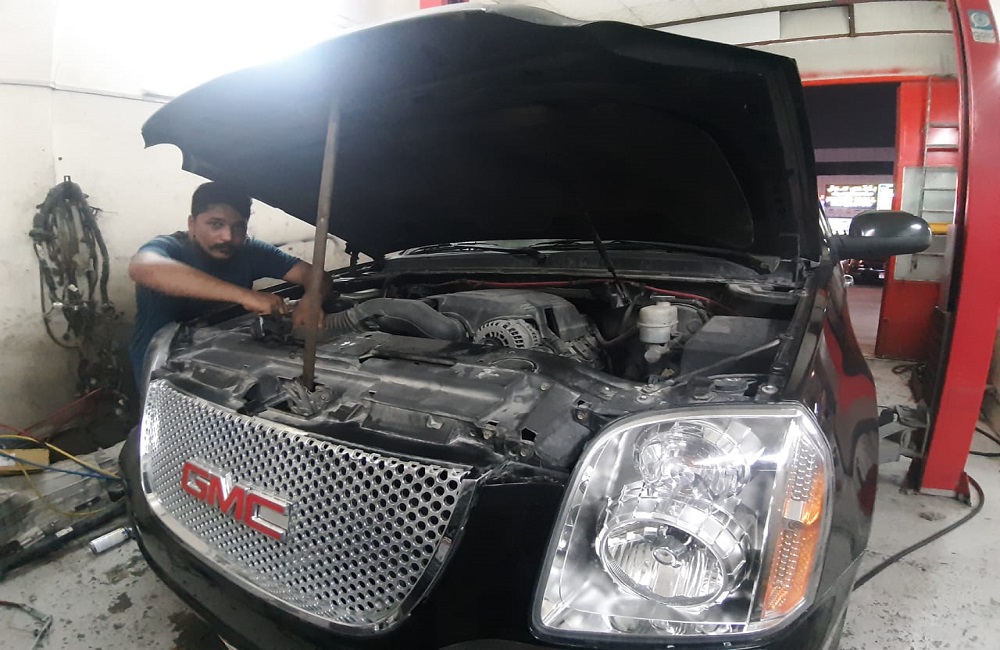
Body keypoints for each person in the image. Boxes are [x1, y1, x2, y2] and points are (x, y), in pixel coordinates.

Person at [128, 182, 331, 384]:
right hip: (163, 370)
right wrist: (245, 296)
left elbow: (315, 276)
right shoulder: (171, 248)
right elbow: (142, 268)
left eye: (238, 227)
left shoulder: (249, 251)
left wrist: (312, 300)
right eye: (216, 224)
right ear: (192, 223)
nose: (228, 237)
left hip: (223, 363)